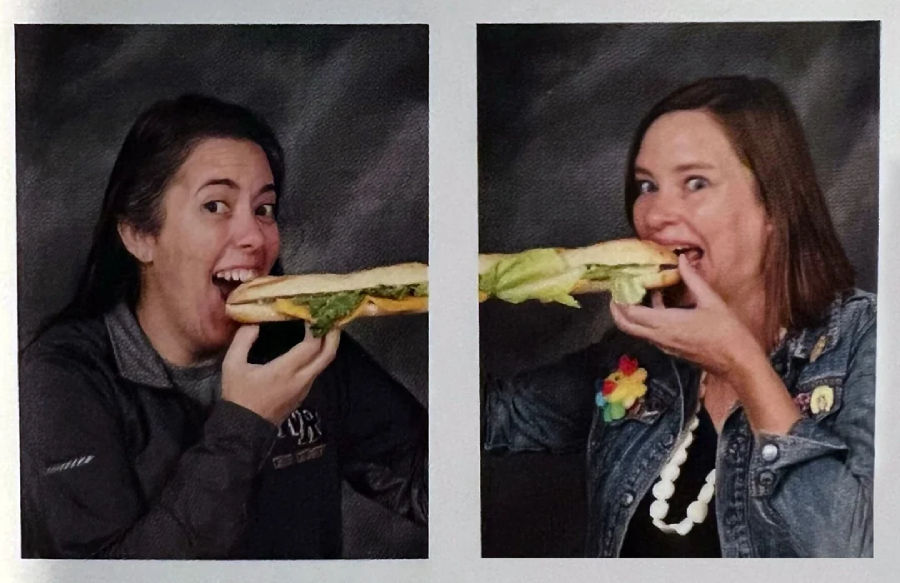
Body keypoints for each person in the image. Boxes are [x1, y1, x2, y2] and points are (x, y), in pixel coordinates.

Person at [19, 94, 428, 560]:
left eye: (264, 209)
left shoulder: (298, 342)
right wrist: (246, 423)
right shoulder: (61, 378)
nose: (255, 236)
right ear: (139, 233)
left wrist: (522, 410)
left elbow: (422, 478)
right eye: (215, 205)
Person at [483, 76, 875, 558]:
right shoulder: (639, 356)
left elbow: (857, 554)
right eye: (647, 185)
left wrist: (743, 367)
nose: (655, 214)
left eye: (695, 183)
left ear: (774, 205)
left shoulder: (868, 339)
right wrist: (477, 287)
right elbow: (466, 430)